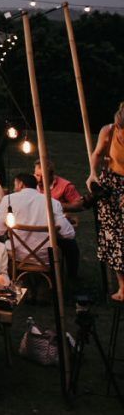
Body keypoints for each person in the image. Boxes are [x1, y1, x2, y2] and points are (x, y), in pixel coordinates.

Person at [0, 171, 78, 279]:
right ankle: (61, 283)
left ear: (20, 184)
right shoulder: (51, 202)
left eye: (15, 185)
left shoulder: (8, 200)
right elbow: (69, 234)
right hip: (47, 256)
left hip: (18, 254)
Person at [90, 104, 124, 301]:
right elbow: (97, 154)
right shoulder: (108, 131)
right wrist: (92, 174)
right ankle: (122, 286)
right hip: (110, 182)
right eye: (120, 128)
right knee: (113, 236)